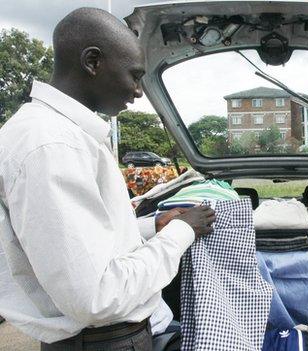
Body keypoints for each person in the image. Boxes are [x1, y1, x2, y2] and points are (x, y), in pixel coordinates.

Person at [0, 8, 216, 350]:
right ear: (92, 62)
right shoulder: (51, 146)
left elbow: (91, 239)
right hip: (102, 340)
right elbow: (97, 297)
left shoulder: (60, 136)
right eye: (134, 75)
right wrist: (181, 232)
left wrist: (154, 224)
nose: (138, 90)